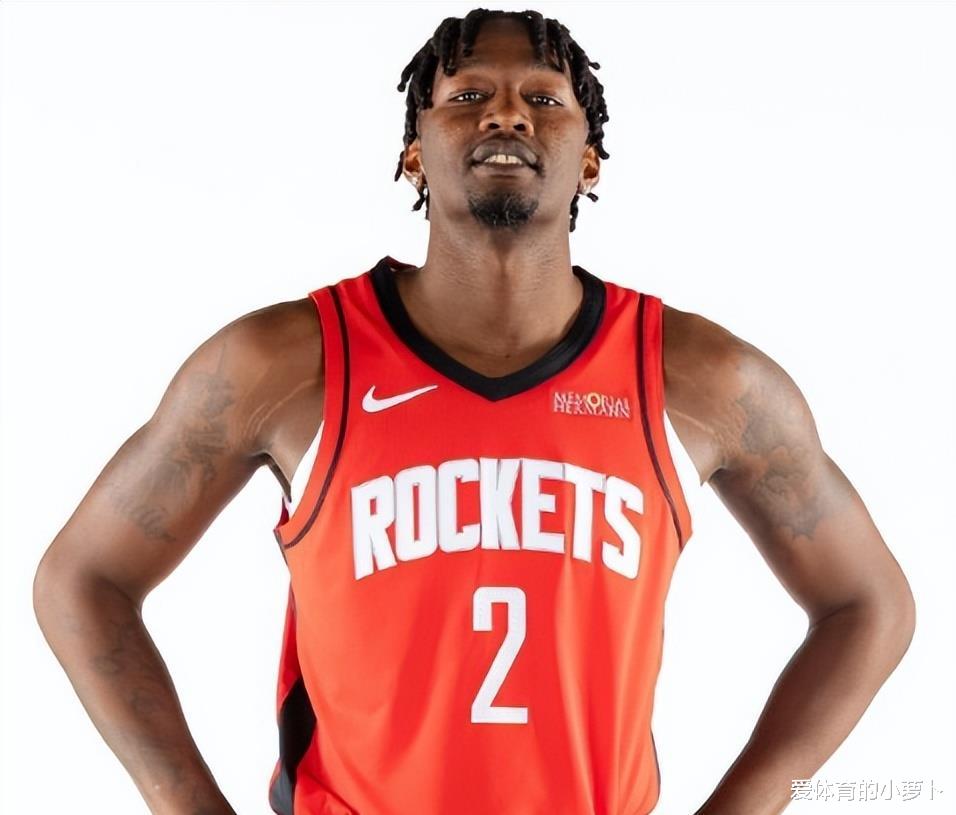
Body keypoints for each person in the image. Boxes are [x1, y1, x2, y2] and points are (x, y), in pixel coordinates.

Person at [32, 8, 916, 815]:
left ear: (590, 159)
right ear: (413, 152)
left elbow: (869, 603)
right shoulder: (286, 362)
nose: (507, 116)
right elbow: (81, 579)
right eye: (466, 96)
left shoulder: (698, 378)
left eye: (544, 98)